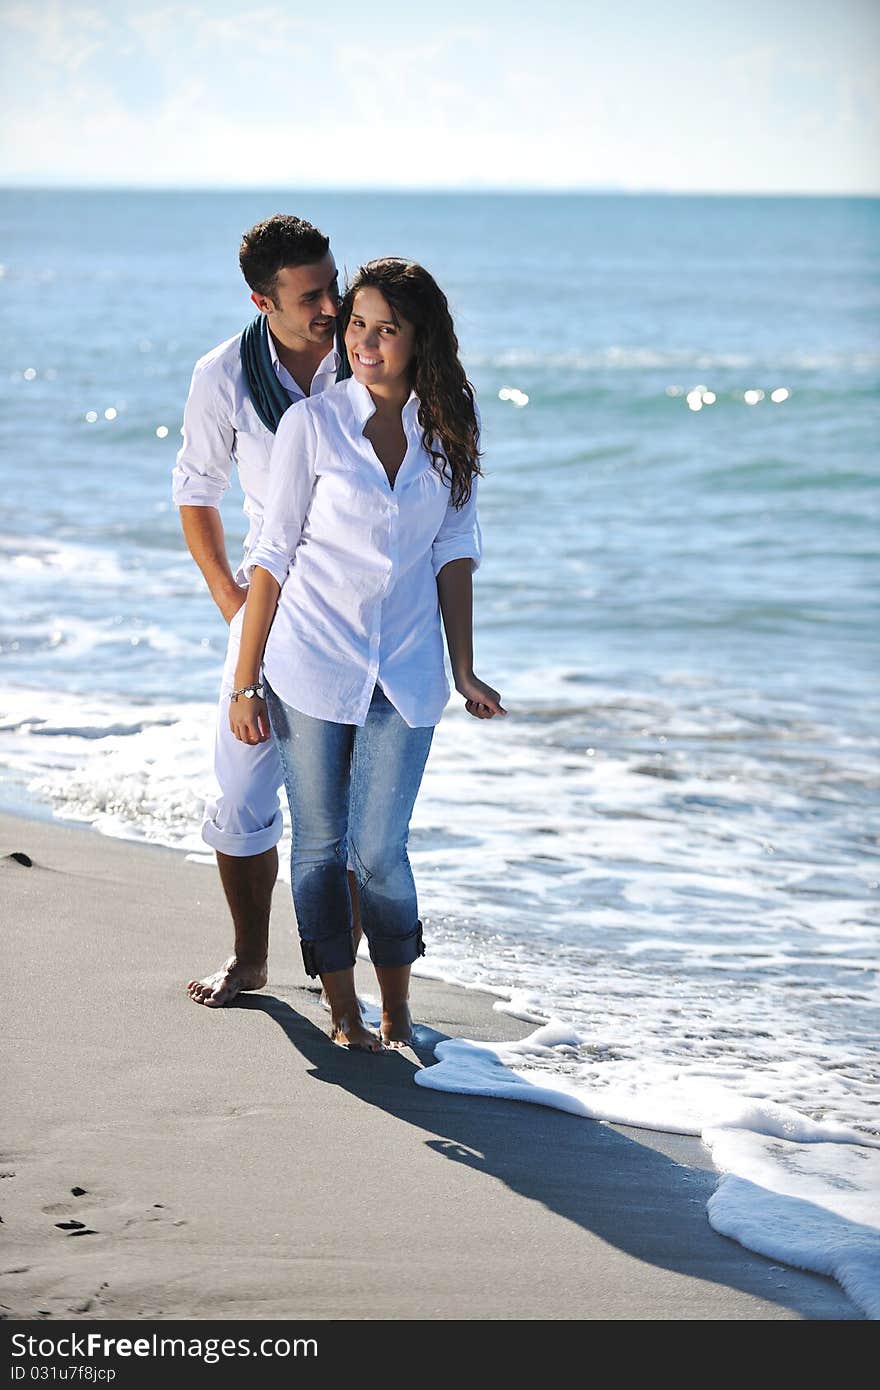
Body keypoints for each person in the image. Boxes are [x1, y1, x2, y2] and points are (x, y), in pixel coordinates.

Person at [229, 258, 505, 1051]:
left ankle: (398, 1008)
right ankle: (341, 1008)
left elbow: (455, 547)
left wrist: (464, 666)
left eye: (386, 329)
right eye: (357, 324)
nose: (365, 344)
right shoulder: (312, 426)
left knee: (379, 850)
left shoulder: (450, 425)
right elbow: (271, 555)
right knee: (318, 845)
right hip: (313, 663)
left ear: (419, 341)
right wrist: (245, 682)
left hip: (409, 671)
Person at [173, 214, 362, 1007]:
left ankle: (336, 974)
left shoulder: (372, 350)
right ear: (262, 300)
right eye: (311, 295)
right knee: (244, 789)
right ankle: (250, 959)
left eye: (333, 284)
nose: (332, 305)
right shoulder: (223, 374)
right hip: (270, 601)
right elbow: (195, 489)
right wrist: (230, 601)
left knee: (347, 803)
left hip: (360, 605)